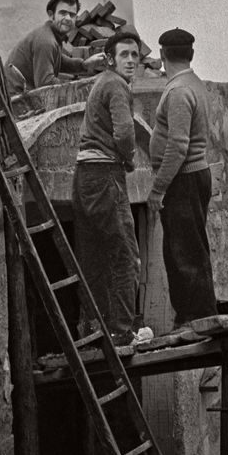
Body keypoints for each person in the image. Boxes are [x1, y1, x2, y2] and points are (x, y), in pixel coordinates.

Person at [72, 28, 152, 347]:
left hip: (85, 176)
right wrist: (129, 160)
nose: (131, 61)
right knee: (125, 255)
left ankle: (93, 328)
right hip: (106, 174)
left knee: (95, 255)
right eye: (124, 55)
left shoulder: (101, 83)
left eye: (135, 55)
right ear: (110, 59)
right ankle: (122, 329)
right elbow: (124, 132)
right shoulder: (117, 85)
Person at [147, 27, 218, 334]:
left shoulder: (177, 92)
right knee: (192, 246)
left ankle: (192, 319)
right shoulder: (195, 84)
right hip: (196, 175)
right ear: (191, 54)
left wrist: (158, 187)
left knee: (181, 251)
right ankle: (198, 315)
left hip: (183, 179)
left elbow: (178, 145)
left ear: (163, 55)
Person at [4, 0, 105, 94]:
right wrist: (78, 86)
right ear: (51, 16)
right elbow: (45, 84)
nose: (68, 18)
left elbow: (59, 61)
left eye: (72, 15)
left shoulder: (53, 35)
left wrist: (85, 64)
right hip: (16, 102)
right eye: (63, 13)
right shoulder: (46, 41)